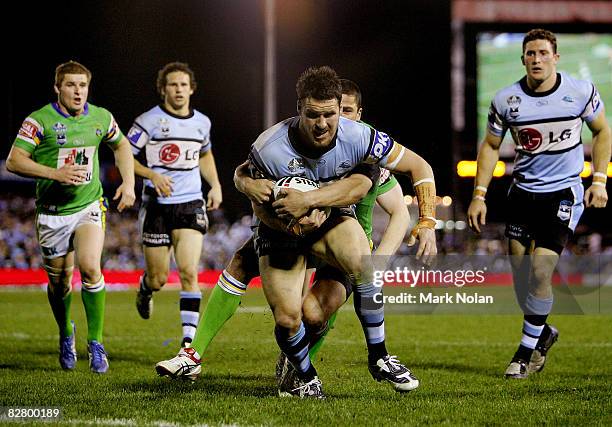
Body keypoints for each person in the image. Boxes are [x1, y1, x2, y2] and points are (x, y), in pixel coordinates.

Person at [155, 78, 413, 391]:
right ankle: (195, 353)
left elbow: (396, 205)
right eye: (319, 114)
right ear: (303, 112)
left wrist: (401, 242)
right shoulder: (279, 145)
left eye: (343, 112)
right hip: (291, 228)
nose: (331, 121)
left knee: (317, 315)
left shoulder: (366, 148)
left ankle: (306, 368)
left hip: (341, 240)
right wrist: (247, 184)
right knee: (258, 281)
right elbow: (246, 173)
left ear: (358, 113)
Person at [467, 29, 611, 379]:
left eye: (543, 53)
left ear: (555, 57)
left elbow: (602, 131)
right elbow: (489, 146)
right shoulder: (506, 100)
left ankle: (524, 353)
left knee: (540, 273)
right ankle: (543, 331)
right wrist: (479, 195)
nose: (537, 59)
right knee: (521, 279)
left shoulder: (580, 92)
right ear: (523, 60)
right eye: (530, 54)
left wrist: (599, 180)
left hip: (563, 193)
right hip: (522, 195)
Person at [6, 60, 136, 373]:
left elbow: (121, 146)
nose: (78, 91)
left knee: (90, 267)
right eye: (71, 85)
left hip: (88, 205)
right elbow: (14, 160)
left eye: (83, 85)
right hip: (52, 214)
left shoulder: (102, 117)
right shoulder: (40, 121)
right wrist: (55, 173)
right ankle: (66, 332)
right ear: (58, 88)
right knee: (60, 283)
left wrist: (129, 183)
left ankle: (96, 343)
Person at [128, 62, 222, 347]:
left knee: (189, 272)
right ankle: (146, 289)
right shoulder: (148, 121)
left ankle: (187, 344)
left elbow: (204, 154)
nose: (179, 89)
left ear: (191, 89)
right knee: (158, 278)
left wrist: (215, 184)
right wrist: (151, 174)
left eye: (183, 84)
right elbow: (125, 157)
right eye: (173, 84)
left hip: (190, 202)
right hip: (156, 206)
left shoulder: (202, 123)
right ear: (163, 89)